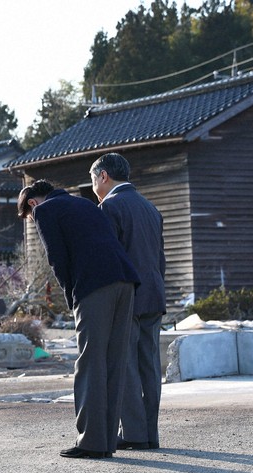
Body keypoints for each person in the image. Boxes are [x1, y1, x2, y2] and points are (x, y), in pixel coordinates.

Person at [17, 179, 140, 459]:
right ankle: (107, 440)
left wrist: (72, 297)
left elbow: (57, 260)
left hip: (94, 286)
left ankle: (91, 442)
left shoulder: (45, 211)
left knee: (89, 362)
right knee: (113, 361)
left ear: (33, 204)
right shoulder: (84, 203)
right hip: (126, 282)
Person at [90, 153, 166, 450]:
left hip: (127, 297)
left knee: (125, 366)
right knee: (150, 366)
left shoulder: (109, 206)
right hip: (154, 293)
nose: (93, 185)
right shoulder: (150, 207)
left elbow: (109, 258)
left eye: (93, 179)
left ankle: (133, 433)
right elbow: (160, 259)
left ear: (104, 176)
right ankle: (150, 433)